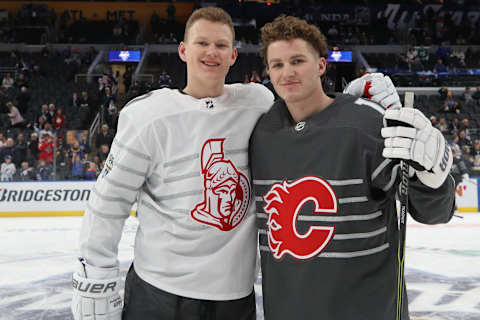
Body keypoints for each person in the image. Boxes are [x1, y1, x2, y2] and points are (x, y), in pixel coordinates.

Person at [71, 8, 399, 320]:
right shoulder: (147, 116)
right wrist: (95, 274)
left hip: (234, 299)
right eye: (202, 43)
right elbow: (109, 202)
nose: (211, 52)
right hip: (159, 294)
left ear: (233, 55)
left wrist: (350, 100)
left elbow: (305, 105)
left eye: (221, 45)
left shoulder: (255, 102)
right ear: (183, 50)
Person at [249, 15, 455, 320]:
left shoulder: (366, 125)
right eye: (277, 64)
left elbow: (433, 212)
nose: (287, 72)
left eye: (297, 60)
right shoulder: (261, 133)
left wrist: (433, 179)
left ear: (321, 65)